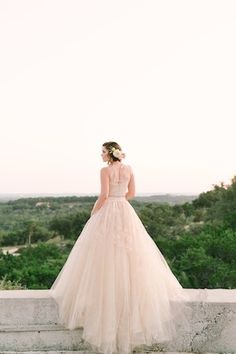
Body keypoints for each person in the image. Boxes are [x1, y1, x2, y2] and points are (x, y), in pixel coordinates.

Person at [49, 141, 193, 354]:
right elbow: (132, 193)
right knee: (131, 254)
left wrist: (94, 212)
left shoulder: (105, 170)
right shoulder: (129, 169)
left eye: (103, 152)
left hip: (109, 210)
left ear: (110, 153)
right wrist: (120, 200)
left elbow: (104, 195)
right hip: (125, 210)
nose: (101, 155)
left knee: (104, 256)